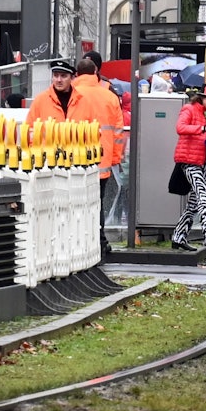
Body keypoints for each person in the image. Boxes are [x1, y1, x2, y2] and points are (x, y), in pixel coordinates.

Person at [73, 58, 125, 260]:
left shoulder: (71, 94)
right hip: (102, 161)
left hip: (75, 160)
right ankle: (100, 241)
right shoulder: (109, 96)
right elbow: (118, 132)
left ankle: (80, 242)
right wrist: (115, 158)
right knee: (97, 203)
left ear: (77, 73)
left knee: (76, 203)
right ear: (95, 72)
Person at [170, 82, 206, 254]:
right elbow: (180, 127)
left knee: (194, 203)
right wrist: (203, 129)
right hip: (190, 161)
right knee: (203, 198)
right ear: (201, 96)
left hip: (204, 161)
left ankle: (178, 236)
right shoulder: (189, 109)